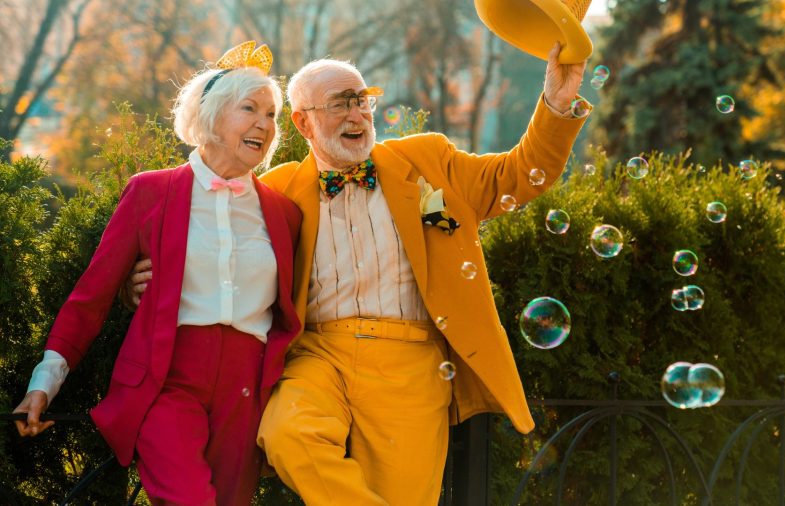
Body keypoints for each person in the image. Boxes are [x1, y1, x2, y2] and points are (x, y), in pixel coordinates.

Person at [128, 41, 589, 505]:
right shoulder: (276, 190)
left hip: (410, 361)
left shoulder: (428, 161)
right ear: (303, 122)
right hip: (318, 356)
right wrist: (152, 278)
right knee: (288, 434)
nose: (356, 115)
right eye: (339, 104)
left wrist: (557, 103)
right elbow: (216, 242)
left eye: (361, 100)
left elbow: (521, 173)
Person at [12, 41, 302, 506]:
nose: (265, 125)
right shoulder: (150, 191)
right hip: (166, 382)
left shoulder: (284, 213)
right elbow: (92, 296)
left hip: (247, 391)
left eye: (271, 114)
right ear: (210, 116)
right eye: (249, 109)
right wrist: (44, 383)